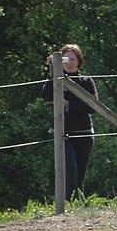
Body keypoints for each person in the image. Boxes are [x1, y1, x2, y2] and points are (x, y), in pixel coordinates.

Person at [40, 44, 98, 200]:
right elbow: (46, 95)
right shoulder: (56, 80)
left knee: (79, 176)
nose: (70, 63)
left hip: (84, 134)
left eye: (73, 59)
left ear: (79, 61)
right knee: (70, 174)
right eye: (66, 59)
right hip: (63, 135)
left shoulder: (86, 81)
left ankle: (78, 205)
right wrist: (52, 71)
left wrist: (68, 105)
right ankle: (65, 206)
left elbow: (92, 106)